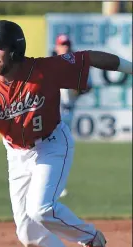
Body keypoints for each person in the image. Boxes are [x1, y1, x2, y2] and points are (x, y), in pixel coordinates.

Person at [0, 20, 132, 247]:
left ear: (16, 49)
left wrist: (131, 67)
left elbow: (90, 57)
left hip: (52, 144)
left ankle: (91, 238)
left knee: (41, 209)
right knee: (27, 233)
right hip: (16, 154)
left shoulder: (44, 69)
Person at [54, 34, 93, 198]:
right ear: (57, 47)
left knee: (63, 148)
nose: (65, 47)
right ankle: (52, 185)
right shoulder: (50, 64)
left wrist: (79, 88)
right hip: (53, 109)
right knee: (52, 148)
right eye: (62, 45)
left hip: (69, 110)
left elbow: (88, 86)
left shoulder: (77, 65)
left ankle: (57, 185)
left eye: (67, 44)